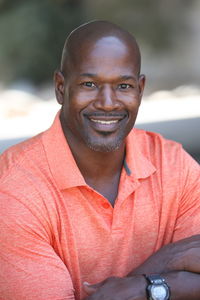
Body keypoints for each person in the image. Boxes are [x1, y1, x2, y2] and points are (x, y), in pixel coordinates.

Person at [0, 20, 200, 300]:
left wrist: (142, 287)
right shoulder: (15, 193)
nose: (107, 103)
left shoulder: (173, 164)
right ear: (60, 87)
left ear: (140, 90)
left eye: (123, 86)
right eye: (89, 84)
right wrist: (163, 270)